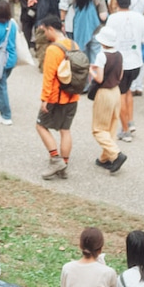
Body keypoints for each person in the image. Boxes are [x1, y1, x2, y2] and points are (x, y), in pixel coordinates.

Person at [37, 19, 84, 180]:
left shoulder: (53, 49)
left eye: (45, 31)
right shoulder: (73, 44)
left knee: (41, 125)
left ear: (51, 29)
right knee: (65, 130)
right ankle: (64, 164)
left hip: (56, 98)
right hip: (73, 95)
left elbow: (49, 77)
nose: (45, 34)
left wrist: (44, 99)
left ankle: (55, 159)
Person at [104, 0, 144, 142]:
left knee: (120, 94)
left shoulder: (113, 19)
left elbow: (107, 40)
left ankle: (125, 130)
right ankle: (130, 121)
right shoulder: (139, 17)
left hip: (119, 62)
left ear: (116, 1)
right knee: (127, 90)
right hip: (135, 62)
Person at [89, 28, 127, 173]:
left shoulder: (101, 56)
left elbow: (99, 78)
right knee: (111, 125)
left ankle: (116, 154)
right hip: (116, 92)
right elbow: (121, 74)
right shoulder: (119, 55)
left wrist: (91, 71)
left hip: (104, 93)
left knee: (98, 128)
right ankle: (105, 157)